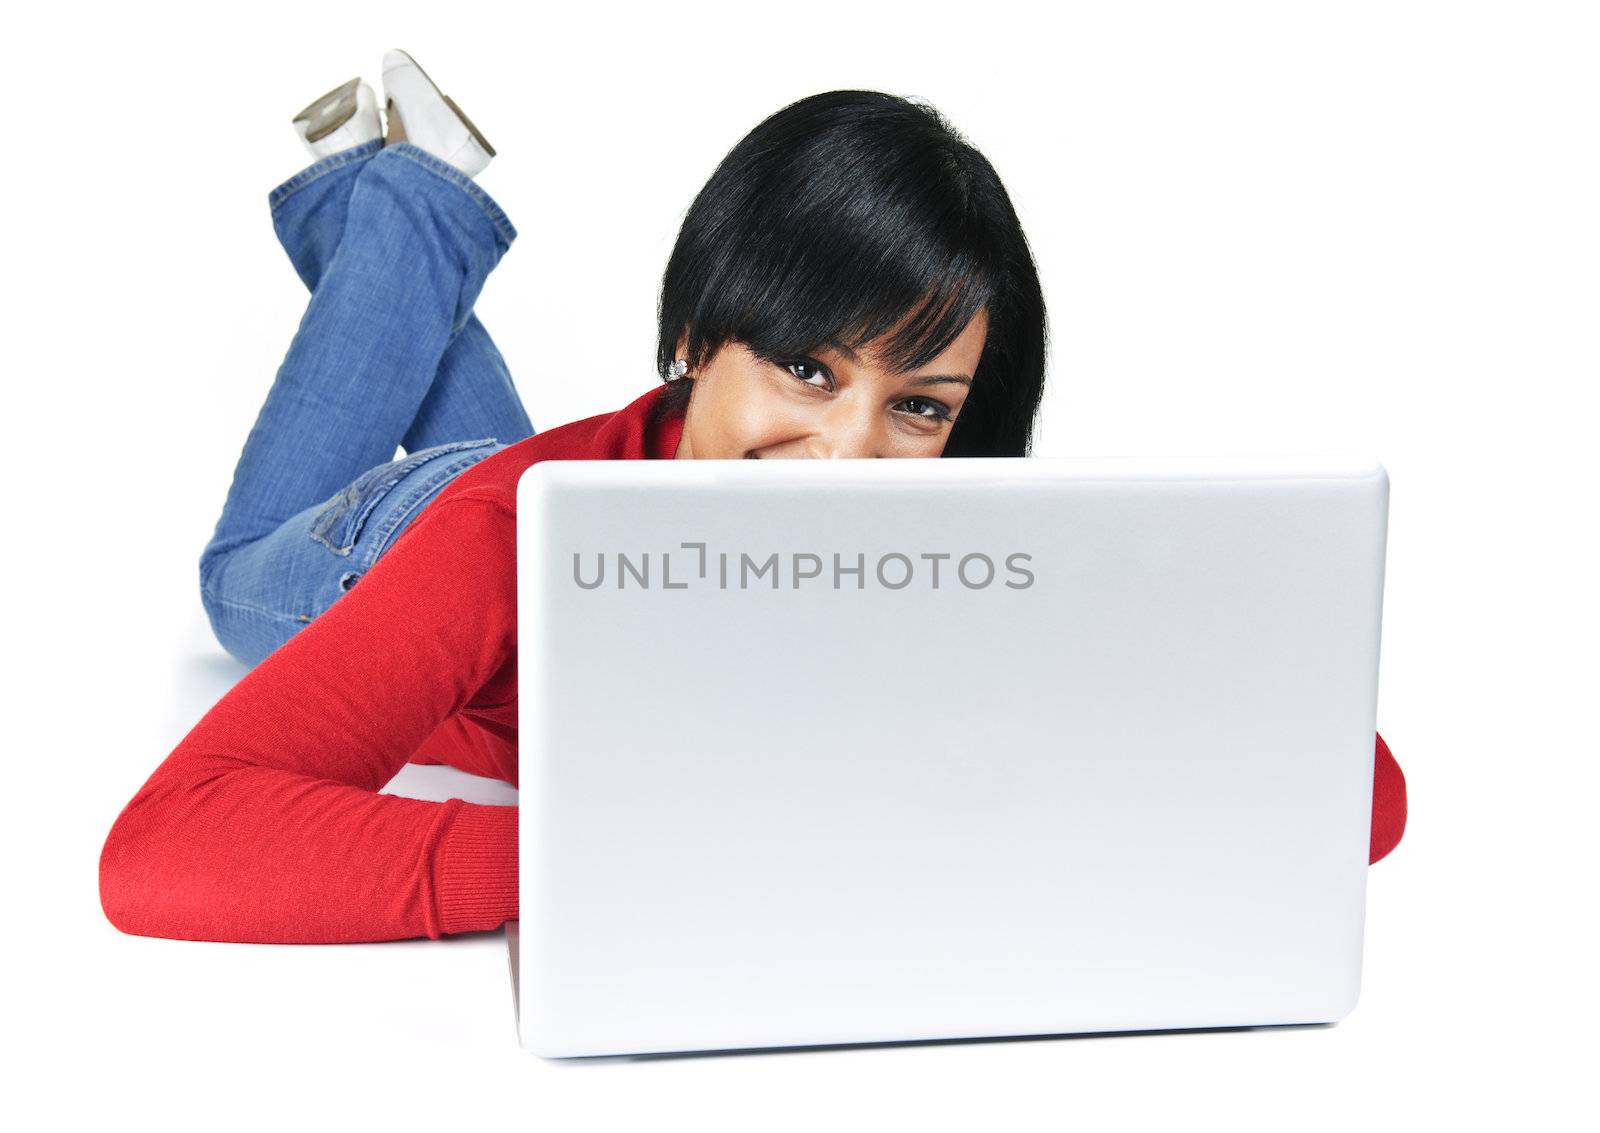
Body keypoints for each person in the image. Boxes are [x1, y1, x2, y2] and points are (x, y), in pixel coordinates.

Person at [99, 52, 1407, 945]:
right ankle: (396, 215)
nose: (845, 458)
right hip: (383, 547)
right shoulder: (501, 544)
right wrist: (619, 859)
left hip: (606, 464)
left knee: (493, 454)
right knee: (232, 580)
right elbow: (164, 844)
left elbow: (1361, 791)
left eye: (920, 406)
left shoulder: (946, 548)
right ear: (694, 337)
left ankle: (410, 253)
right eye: (806, 364)